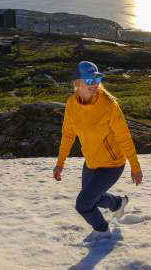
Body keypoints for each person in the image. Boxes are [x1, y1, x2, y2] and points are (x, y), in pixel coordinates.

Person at [53, 61, 143, 241]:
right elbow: (68, 135)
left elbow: (124, 137)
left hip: (112, 164)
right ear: (77, 83)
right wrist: (59, 164)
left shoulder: (108, 105)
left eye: (97, 78)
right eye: (89, 79)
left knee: (83, 204)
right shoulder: (72, 104)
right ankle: (118, 203)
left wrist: (135, 166)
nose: (94, 83)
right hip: (91, 162)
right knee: (93, 198)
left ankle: (102, 230)